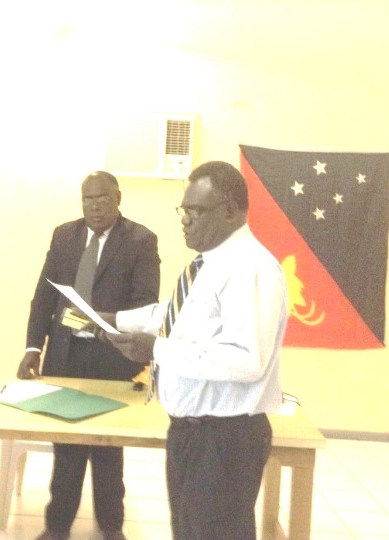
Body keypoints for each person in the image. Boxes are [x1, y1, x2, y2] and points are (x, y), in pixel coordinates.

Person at [104, 161, 287, 540]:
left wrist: (156, 349)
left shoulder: (250, 268)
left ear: (230, 211)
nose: (185, 220)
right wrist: (114, 319)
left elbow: (246, 359)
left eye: (196, 211)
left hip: (224, 440)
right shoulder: (210, 265)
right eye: (183, 210)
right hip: (193, 434)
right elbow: (174, 316)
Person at [17, 171, 160, 540]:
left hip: (113, 359)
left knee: (108, 451)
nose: (95, 206)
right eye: (87, 199)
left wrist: (103, 323)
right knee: (66, 448)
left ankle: (111, 527)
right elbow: (44, 297)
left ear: (118, 198)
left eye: (102, 198)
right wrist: (33, 347)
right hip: (65, 356)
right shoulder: (64, 235)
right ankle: (57, 527)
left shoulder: (140, 240)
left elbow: (146, 304)